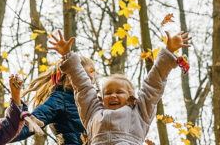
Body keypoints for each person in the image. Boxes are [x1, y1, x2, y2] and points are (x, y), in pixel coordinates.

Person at [51, 30, 191, 144]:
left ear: (130, 96)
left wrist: (169, 51)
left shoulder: (140, 112)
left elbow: (153, 85)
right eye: (108, 93)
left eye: (119, 92)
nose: (113, 95)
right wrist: (68, 55)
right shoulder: (93, 112)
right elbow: (83, 87)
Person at [7, 56, 96, 144]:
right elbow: (28, 126)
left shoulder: (94, 104)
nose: (90, 83)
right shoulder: (59, 100)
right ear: (68, 78)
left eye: (92, 79)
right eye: (85, 78)